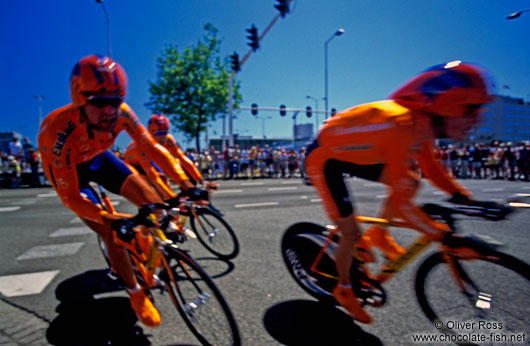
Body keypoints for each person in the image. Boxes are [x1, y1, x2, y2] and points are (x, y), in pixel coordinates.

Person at [305, 61, 494, 324]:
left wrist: (466, 198)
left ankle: (380, 235)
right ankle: (344, 289)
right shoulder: (400, 125)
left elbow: (430, 168)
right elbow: (405, 207)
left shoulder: (420, 125)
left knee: (412, 181)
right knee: (350, 233)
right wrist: (445, 237)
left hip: (353, 152)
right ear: (445, 105)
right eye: (471, 110)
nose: (477, 119)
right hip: (324, 159)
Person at [38, 55, 205, 328]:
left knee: (156, 205)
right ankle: (136, 295)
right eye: (100, 102)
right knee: (111, 231)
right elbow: (69, 198)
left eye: (115, 100)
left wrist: (187, 184)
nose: (110, 111)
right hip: (71, 173)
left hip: (99, 158)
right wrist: (107, 219)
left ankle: (148, 251)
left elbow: (153, 148)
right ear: (80, 100)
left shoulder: (123, 113)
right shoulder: (57, 134)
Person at [123, 114, 215, 200]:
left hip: (148, 162)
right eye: (158, 134)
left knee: (166, 185)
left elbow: (183, 159)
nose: (162, 137)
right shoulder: (143, 145)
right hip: (133, 165)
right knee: (153, 195)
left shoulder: (169, 140)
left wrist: (200, 180)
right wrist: (170, 198)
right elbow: (152, 175)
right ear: (150, 133)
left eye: (165, 132)